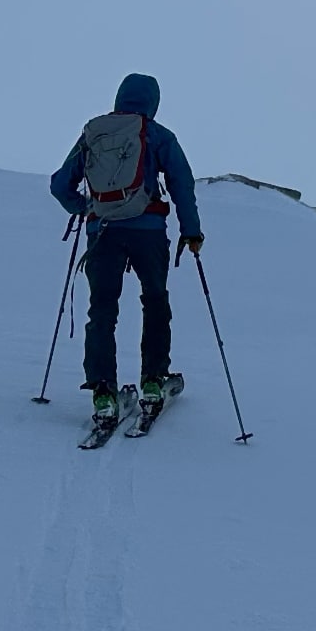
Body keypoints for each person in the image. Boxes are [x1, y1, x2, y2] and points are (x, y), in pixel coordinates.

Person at [50, 73, 203, 424]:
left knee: (102, 309)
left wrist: (84, 207)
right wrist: (192, 231)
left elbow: (61, 185)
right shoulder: (157, 135)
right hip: (148, 230)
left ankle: (103, 392)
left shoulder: (95, 132)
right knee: (154, 300)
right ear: (153, 102)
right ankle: (153, 381)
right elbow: (182, 183)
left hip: (102, 231)